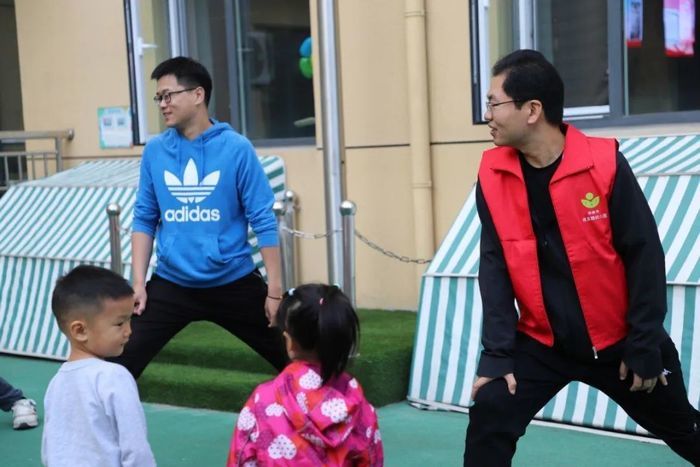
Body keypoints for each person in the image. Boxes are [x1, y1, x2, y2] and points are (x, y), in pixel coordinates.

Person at [464, 49, 700, 466]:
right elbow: (494, 266)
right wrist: (497, 355)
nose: (487, 115)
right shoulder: (492, 174)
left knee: (685, 430)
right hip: (542, 343)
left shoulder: (604, 164)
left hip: (619, 341)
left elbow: (644, 255)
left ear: (532, 110)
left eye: (493, 103)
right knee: (492, 408)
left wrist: (644, 342)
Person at [111, 56, 288, 379]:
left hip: (233, 280)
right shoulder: (155, 151)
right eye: (158, 98)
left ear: (198, 94)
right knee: (118, 363)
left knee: (294, 356)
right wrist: (138, 283)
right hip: (172, 282)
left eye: (168, 95)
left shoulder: (237, 149)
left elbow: (263, 219)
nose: (162, 104)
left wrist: (274, 291)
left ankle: (338, 407)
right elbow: (145, 218)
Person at [227, 284, 383, 466]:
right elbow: (372, 459)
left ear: (290, 342)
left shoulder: (262, 400)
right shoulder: (360, 405)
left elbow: (241, 457)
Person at [42, 265, 156, 466]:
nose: (129, 331)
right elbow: (135, 447)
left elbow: (50, 446)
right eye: (120, 323)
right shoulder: (114, 376)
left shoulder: (56, 382)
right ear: (80, 331)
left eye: (129, 320)